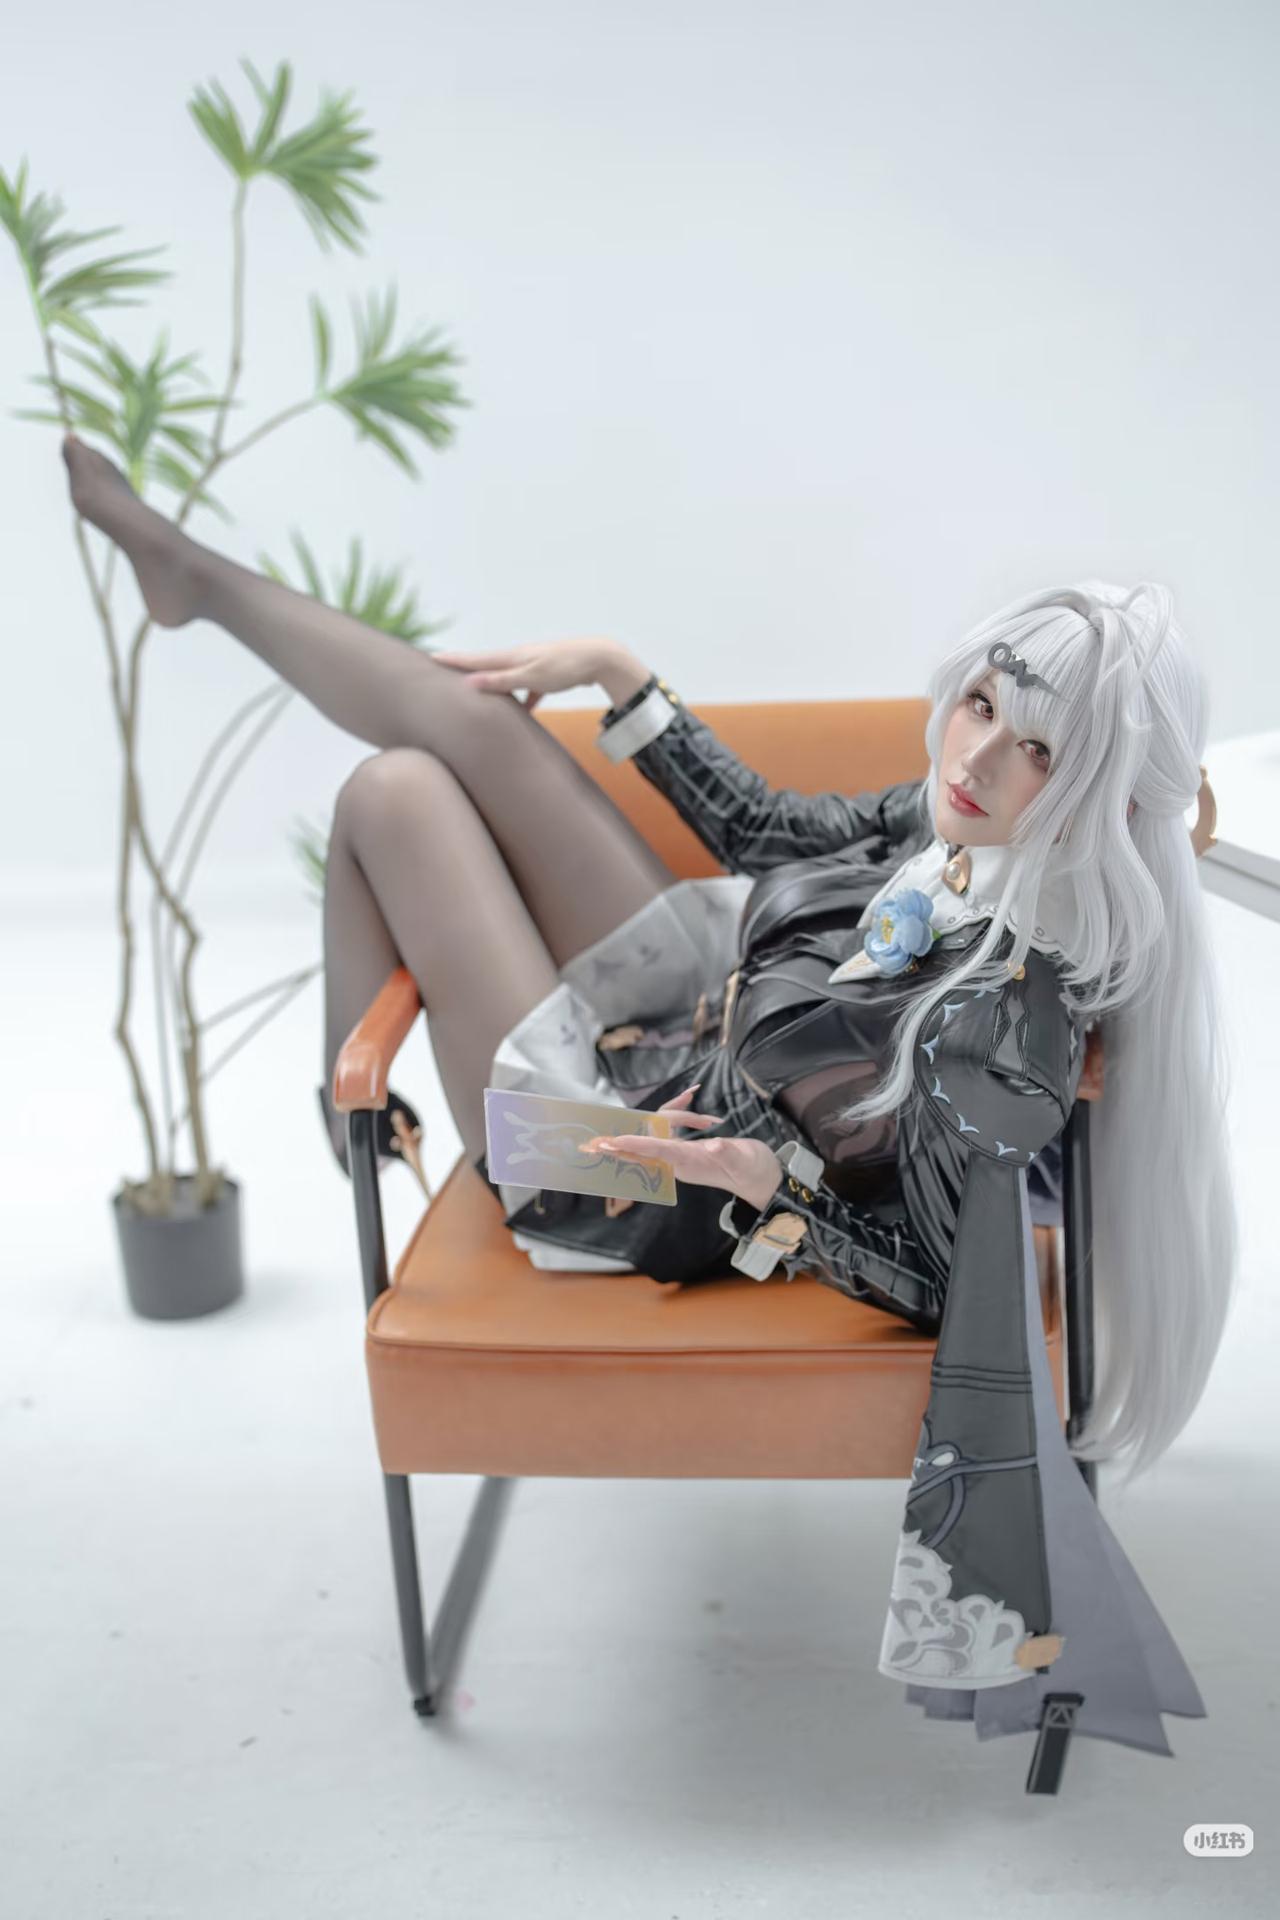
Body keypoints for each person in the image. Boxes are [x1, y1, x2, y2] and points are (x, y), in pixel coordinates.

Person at [60, 432, 1237, 1759]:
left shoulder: (1009, 1022)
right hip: (693, 1003)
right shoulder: (948, 825)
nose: (979, 759)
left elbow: (940, 1278)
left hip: (624, 1168)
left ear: (1090, 796)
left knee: (391, 796)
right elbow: (769, 833)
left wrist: (771, 1192)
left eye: (1040, 751)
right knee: (473, 723)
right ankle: (189, 575)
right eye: (981, 704)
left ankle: (342, 1094)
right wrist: (623, 677)